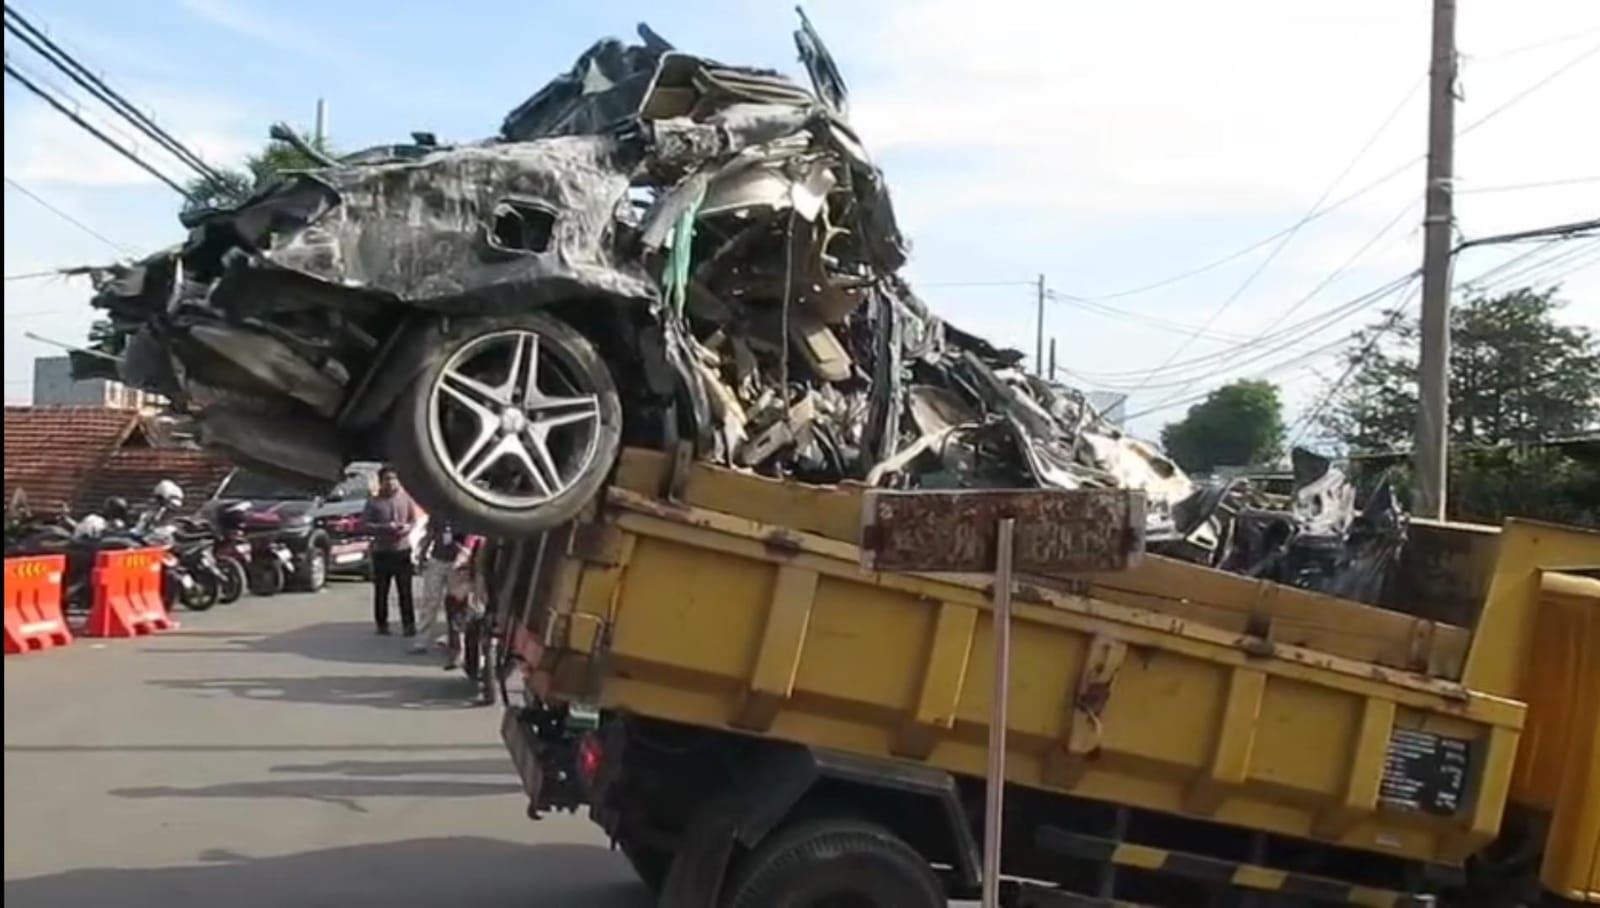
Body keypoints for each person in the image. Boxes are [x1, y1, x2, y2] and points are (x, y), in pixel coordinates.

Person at [412, 519, 483, 663]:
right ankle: (421, 641)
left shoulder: (465, 515)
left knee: (455, 605)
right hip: (437, 560)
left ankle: (455, 643)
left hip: (458, 564)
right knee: (430, 601)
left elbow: (472, 540)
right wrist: (421, 557)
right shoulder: (438, 514)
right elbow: (429, 535)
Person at [361, 466, 419, 636]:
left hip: (402, 551)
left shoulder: (406, 498)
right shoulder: (373, 502)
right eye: (387, 479)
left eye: (394, 478)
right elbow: (364, 525)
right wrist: (385, 528)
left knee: (405, 591)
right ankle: (382, 623)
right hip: (382, 552)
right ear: (381, 482)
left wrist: (407, 527)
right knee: (381, 591)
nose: (391, 482)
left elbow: (413, 520)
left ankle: (409, 625)